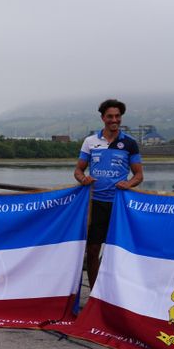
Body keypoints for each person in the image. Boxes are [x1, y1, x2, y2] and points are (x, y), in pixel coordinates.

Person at [73, 99, 144, 290]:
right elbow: (78, 171)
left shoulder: (129, 143)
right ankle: (95, 292)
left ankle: (116, 292)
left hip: (119, 205)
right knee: (93, 249)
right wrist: (83, 179)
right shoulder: (90, 141)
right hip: (95, 203)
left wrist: (128, 183)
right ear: (103, 118)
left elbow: (139, 175)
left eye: (118, 116)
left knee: (118, 250)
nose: (115, 120)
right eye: (110, 116)